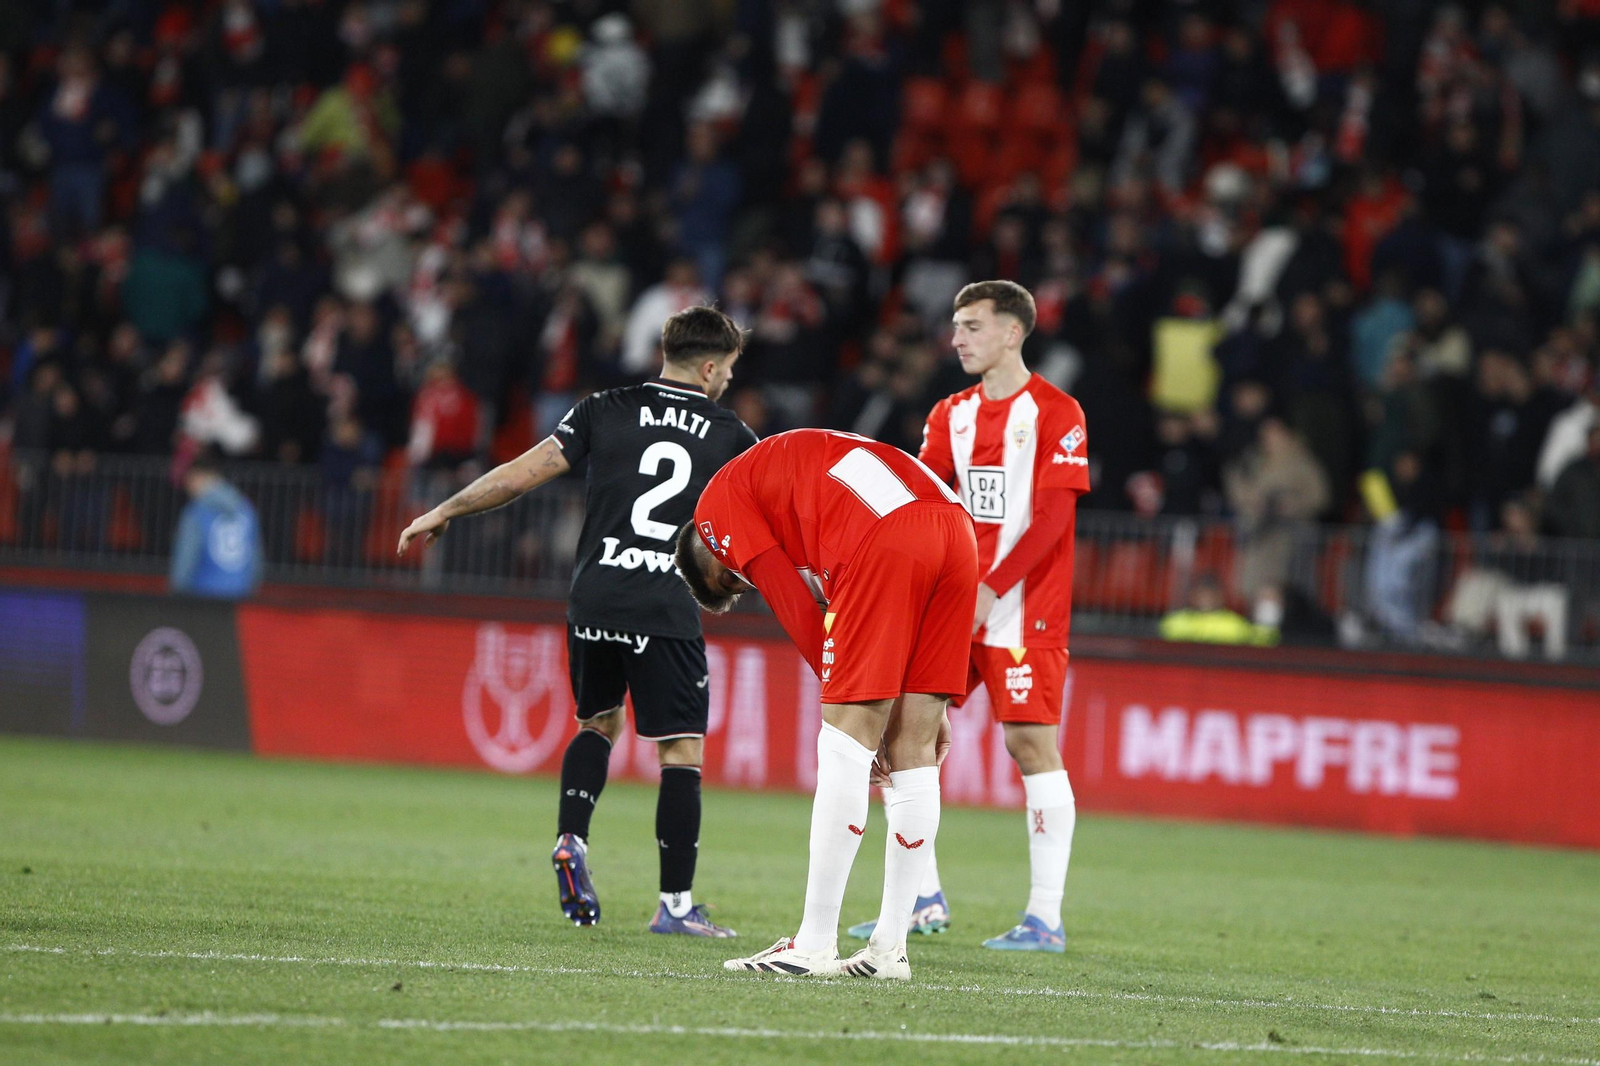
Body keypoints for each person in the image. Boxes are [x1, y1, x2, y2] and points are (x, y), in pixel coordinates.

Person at [397, 307, 757, 938]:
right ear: (708, 367)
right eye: (726, 370)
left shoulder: (603, 407)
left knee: (598, 722)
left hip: (594, 597)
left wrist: (445, 509)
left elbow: (520, 475)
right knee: (680, 750)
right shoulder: (729, 433)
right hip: (664, 604)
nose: (726, 381)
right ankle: (675, 905)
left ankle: (572, 840)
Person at [674, 429, 978, 980]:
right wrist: (917, 707)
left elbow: (793, 603)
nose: (749, 587)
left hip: (886, 535)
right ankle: (890, 950)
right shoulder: (779, 478)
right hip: (956, 528)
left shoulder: (717, 511)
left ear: (719, 569)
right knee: (916, 750)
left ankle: (813, 944)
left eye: (737, 588)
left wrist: (857, 695)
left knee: (843, 740)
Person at [847, 280, 1088, 954]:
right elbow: (926, 502)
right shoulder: (948, 414)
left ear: (1014, 332)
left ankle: (1045, 917)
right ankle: (921, 898)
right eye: (956, 326)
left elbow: (1053, 520)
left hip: (1023, 610)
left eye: (973, 326)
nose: (957, 338)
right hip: (957, 604)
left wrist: (993, 586)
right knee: (903, 738)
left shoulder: (1057, 413)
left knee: (1028, 745)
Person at [170, 452, 263, 599]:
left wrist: (176, 591)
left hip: (202, 594)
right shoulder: (246, 508)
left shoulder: (196, 512)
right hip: (240, 594)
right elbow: (255, 556)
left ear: (197, 478)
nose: (188, 489)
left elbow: (186, 557)